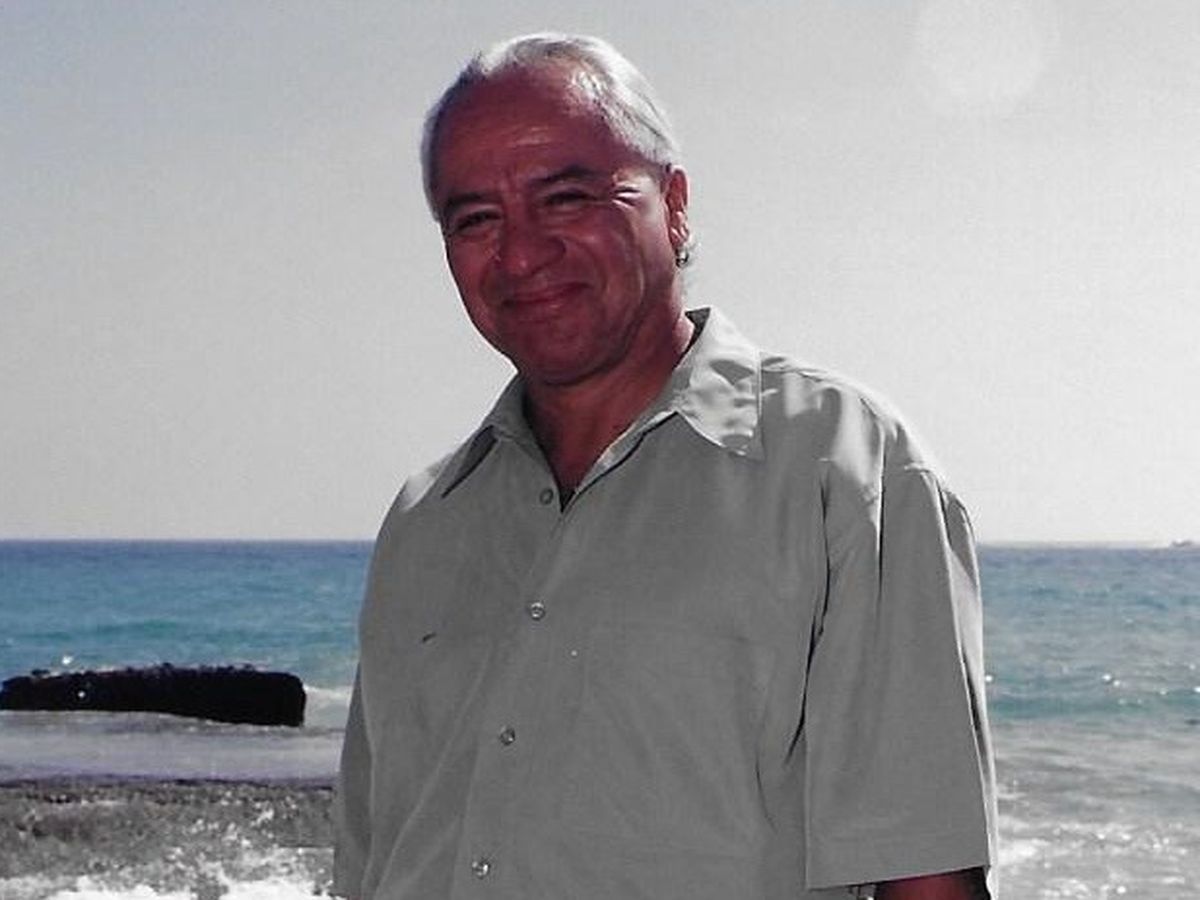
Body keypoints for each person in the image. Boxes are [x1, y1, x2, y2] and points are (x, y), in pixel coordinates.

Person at [333, 33, 997, 900]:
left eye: (565, 198)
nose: (521, 254)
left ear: (674, 205)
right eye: (476, 219)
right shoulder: (426, 520)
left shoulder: (845, 471)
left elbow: (928, 881)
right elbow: (369, 861)